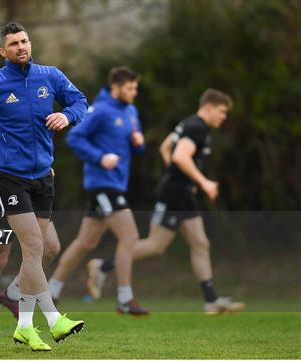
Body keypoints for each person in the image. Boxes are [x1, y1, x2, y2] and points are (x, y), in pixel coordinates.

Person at [0, 22, 87, 351]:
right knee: (21, 251)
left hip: (42, 175)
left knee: (41, 249)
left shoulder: (50, 76)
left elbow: (80, 101)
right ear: (3, 51)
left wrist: (68, 116)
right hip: (7, 179)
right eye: (13, 44)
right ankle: (50, 319)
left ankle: (24, 325)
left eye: (24, 41)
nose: (21, 47)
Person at [85, 88, 245, 314]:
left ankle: (211, 301)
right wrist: (204, 182)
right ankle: (103, 266)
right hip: (173, 195)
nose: (224, 117)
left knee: (200, 243)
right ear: (208, 107)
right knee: (154, 245)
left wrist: (178, 173)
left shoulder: (189, 124)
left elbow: (166, 148)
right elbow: (180, 156)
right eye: (221, 111)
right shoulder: (197, 127)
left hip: (185, 195)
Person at [48, 67, 148, 316]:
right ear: (116, 87)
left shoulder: (131, 111)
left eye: (135, 88)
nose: (134, 92)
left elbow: (131, 146)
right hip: (103, 183)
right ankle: (125, 299)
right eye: (129, 88)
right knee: (130, 236)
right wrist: (100, 157)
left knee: (86, 241)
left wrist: (138, 144)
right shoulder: (101, 110)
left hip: (116, 182)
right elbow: (75, 138)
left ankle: (51, 291)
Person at [0, 124, 62, 333]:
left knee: (50, 247)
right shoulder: (1, 118)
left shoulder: (32, 109)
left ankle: (13, 293)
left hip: (30, 193)